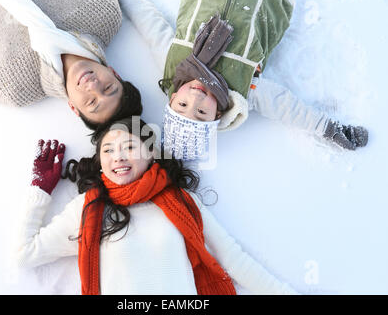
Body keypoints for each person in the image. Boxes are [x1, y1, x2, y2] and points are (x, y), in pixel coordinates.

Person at [17, 117, 298, 294]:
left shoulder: (181, 202)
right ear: (101, 163)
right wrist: (40, 191)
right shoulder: (88, 209)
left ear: (151, 153)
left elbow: (234, 260)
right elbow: (25, 254)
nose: (118, 157)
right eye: (108, 150)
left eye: (129, 146)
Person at [118, 0, 369, 160]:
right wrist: (328, 128)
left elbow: (149, 24)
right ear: (217, 115)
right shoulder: (240, 90)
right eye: (201, 113)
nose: (195, 99)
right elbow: (285, 106)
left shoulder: (173, 63)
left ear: (172, 98)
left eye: (183, 106)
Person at [0, 0, 142, 131]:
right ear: (115, 74)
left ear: (73, 107)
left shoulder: (14, 86)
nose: (93, 86)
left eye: (91, 102)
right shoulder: (103, 13)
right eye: (108, 88)